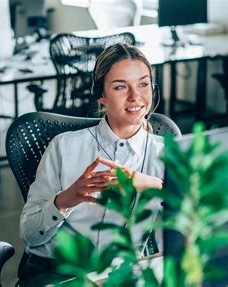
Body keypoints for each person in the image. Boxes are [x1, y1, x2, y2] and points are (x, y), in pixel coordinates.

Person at [18, 43, 165, 286]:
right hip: (59, 270)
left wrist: (152, 184)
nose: (135, 97)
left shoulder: (166, 153)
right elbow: (30, 235)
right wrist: (66, 199)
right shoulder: (64, 147)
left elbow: (196, 227)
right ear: (101, 95)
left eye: (143, 84)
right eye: (120, 86)